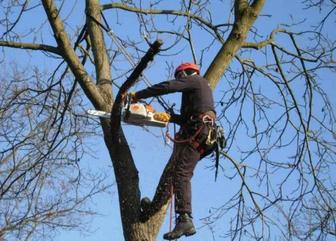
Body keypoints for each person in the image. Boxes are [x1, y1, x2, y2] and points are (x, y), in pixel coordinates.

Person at [131, 62, 216, 240]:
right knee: (171, 175)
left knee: (181, 173)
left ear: (186, 73)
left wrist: (139, 95)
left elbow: (168, 86)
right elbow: (186, 119)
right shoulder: (197, 96)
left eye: (180, 77)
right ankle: (151, 210)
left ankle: (185, 218)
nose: (179, 81)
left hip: (199, 132)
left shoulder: (196, 80)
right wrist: (169, 117)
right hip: (199, 133)